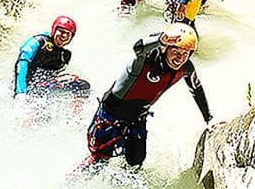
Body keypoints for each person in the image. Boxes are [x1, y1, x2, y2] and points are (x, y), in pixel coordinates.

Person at [85, 23, 211, 168]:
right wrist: (160, 39)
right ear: (165, 49)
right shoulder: (147, 58)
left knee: (136, 163)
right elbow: (138, 48)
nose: (180, 58)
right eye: (176, 51)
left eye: (185, 54)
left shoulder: (186, 68)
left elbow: (197, 90)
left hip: (137, 118)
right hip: (111, 115)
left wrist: (209, 119)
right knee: (98, 161)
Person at [14, 15, 89, 98]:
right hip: (26, 86)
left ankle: (76, 110)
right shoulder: (38, 42)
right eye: (61, 31)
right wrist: (20, 92)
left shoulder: (65, 55)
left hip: (44, 86)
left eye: (68, 34)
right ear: (54, 30)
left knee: (82, 86)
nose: (64, 36)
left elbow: (53, 75)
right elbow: (22, 63)